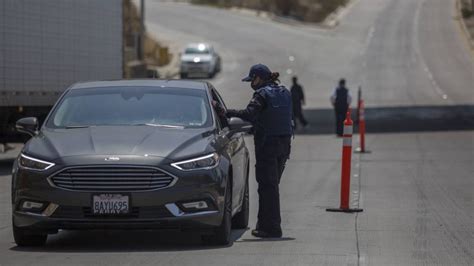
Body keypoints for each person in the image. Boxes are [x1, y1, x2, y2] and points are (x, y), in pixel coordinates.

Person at [226, 64, 292, 238]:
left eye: (252, 80)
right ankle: (266, 226)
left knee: (267, 187)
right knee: (271, 187)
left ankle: (271, 228)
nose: (251, 84)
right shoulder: (285, 92)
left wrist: (225, 112)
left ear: (259, 78)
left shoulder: (262, 94)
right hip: (284, 146)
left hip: (268, 146)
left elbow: (249, 114)